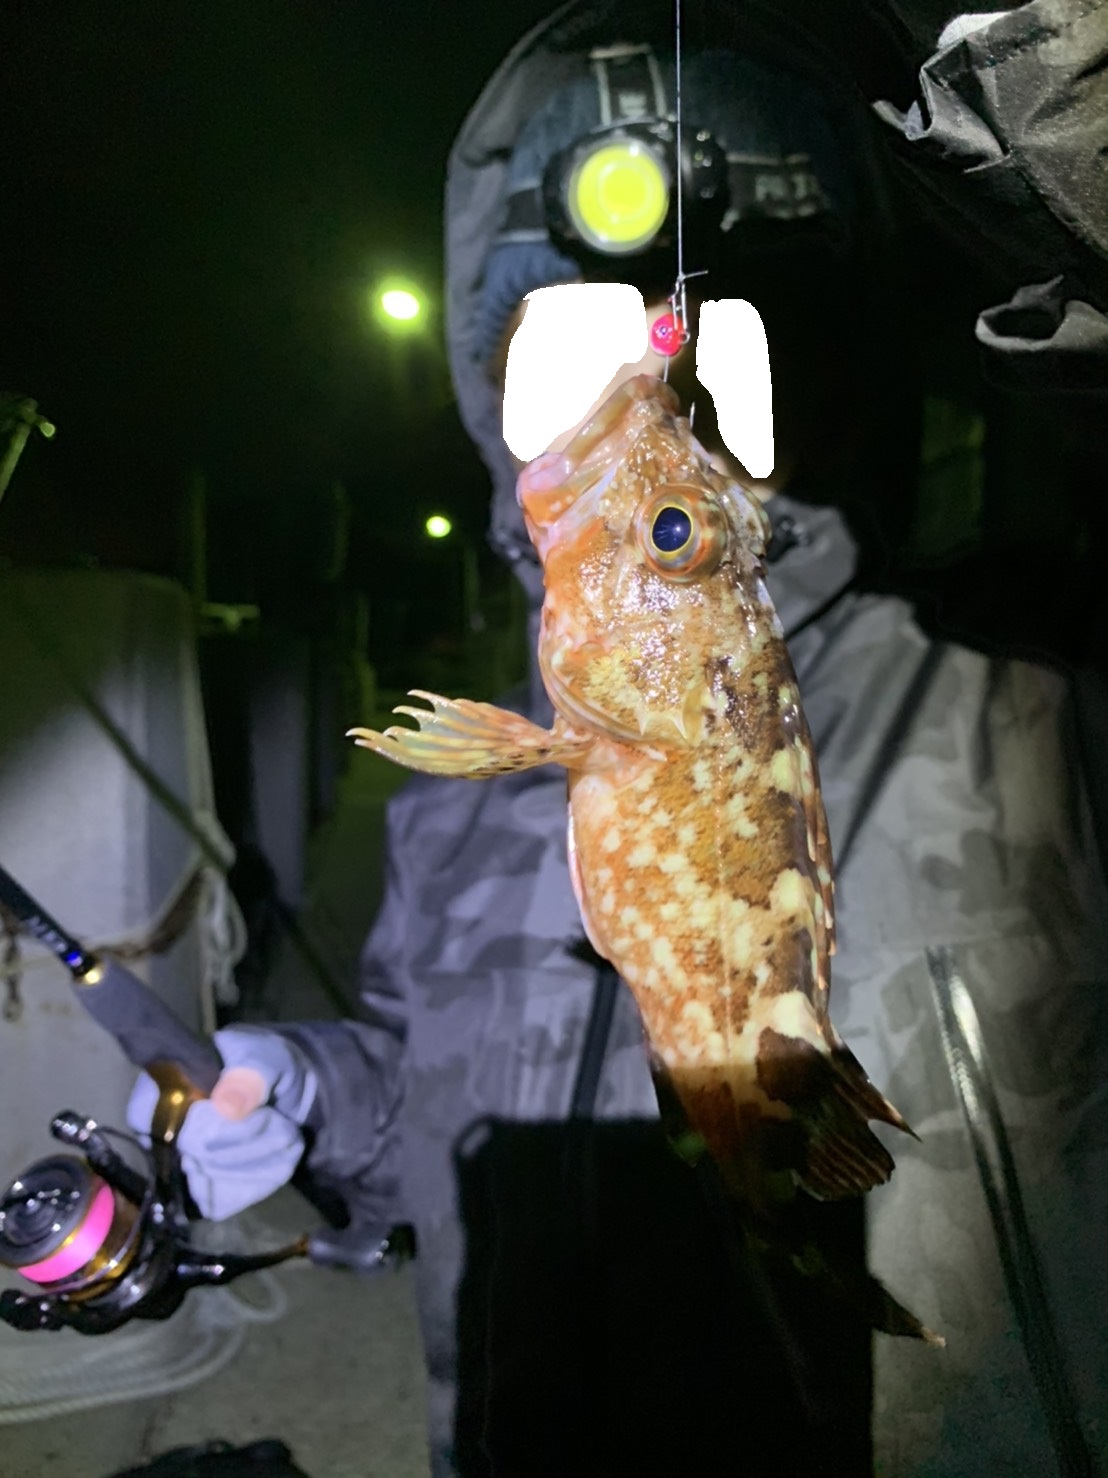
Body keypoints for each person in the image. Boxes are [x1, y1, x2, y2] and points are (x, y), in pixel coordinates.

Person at [130, 6, 1108, 1474]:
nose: (635, 399)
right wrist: (319, 1095)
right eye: (565, 351)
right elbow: (434, 1120)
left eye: (677, 513)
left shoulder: (1048, 691)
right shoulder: (451, 816)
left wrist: (1032, 62)